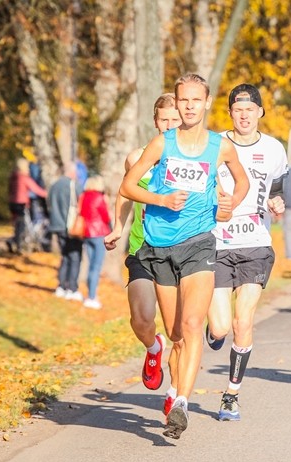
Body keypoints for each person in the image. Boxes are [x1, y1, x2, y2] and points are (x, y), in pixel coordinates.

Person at [120, 73, 249, 439]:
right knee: (176, 332)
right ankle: (169, 376)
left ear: (207, 102)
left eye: (196, 100)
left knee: (194, 326)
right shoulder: (162, 144)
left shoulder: (220, 147)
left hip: (199, 244)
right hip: (160, 246)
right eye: (184, 100)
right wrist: (160, 199)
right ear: (176, 103)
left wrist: (229, 206)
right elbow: (127, 185)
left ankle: (180, 404)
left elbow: (241, 182)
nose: (190, 106)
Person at [205, 83, 287, 421]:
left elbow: (278, 188)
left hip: (255, 243)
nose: (244, 115)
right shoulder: (214, 146)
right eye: (238, 109)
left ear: (260, 113)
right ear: (230, 113)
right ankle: (214, 331)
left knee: (243, 321)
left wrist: (277, 202)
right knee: (222, 327)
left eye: (250, 109)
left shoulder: (274, 149)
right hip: (218, 243)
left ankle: (231, 394)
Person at [104, 93, 182, 410]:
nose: (169, 126)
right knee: (141, 319)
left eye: (175, 120)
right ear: (155, 121)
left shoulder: (196, 157)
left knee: (180, 329)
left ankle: (177, 393)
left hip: (182, 251)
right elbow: (126, 192)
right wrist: (118, 226)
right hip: (142, 248)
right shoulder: (138, 157)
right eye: (164, 120)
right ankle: (152, 348)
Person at [48, 164, 84, 299]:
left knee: (65, 255)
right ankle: (72, 288)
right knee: (75, 257)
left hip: (57, 225)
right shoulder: (74, 186)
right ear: (72, 172)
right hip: (71, 226)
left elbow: (49, 203)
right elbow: (83, 202)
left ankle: (61, 286)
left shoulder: (54, 185)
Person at [79, 175, 111, 309]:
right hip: (98, 233)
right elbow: (106, 216)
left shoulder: (83, 196)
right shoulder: (99, 197)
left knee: (91, 265)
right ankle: (92, 296)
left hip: (87, 233)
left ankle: (90, 294)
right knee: (96, 267)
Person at [7, 158, 48, 254]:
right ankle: (18, 244)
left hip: (12, 203)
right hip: (21, 204)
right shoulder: (24, 178)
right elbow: (36, 189)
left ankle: (14, 241)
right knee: (23, 225)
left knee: (17, 224)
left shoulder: (13, 177)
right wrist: (46, 194)